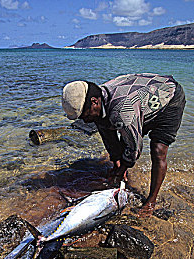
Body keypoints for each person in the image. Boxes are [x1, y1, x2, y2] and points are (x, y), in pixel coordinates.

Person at [61, 73, 186, 217]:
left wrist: (122, 169)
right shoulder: (99, 102)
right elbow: (108, 136)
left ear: (94, 102)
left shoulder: (122, 110)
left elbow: (134, 148)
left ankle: (151, 201)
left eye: (85, 115)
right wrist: (116, 162)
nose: (84, 120)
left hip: (169, 97)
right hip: (141, 103)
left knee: (158, 150)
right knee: (113, 127)